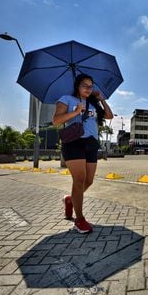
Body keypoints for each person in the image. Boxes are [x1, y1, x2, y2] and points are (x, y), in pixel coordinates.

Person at [52, 73, 113, 233]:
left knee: (89, 180)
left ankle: (70, 200)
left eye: (90, 86)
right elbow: (57, 120)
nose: (88, 88)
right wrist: (76, 111)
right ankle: (79, 219)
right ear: (77, 86)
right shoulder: (66, 99)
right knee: (79, 180)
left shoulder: (93, 103)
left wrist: (101, 99)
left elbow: (109, 116)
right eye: (84, 85)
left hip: (91, 143)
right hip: (73, 142)